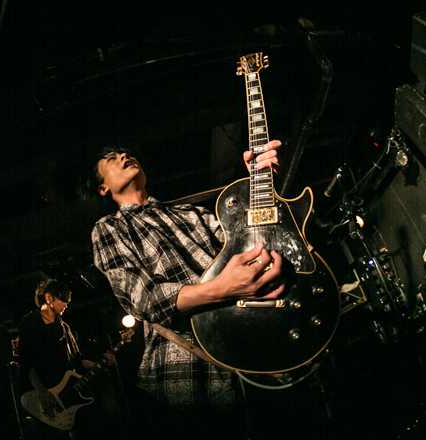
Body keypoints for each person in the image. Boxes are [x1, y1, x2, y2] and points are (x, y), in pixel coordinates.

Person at [90, 140, 285, 439]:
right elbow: (142, 299)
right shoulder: (109, 228)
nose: (125, 156)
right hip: (187, 373)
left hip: (255, 351)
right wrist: (223, 288)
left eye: (126, 153)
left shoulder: (192, 212)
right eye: (112, 158)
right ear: (103, 188)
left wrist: (260, 186)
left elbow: (255, 244)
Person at [17, 278, 101, 440]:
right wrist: (42, 392)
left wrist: (99, 363)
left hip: (66, 399)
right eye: (62, 299)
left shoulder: (64, 327)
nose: (66, 303)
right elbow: (26, 364)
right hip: (43, 400)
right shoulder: (30, 323)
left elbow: (78, 361)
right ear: (48, 298)